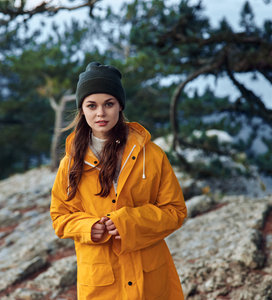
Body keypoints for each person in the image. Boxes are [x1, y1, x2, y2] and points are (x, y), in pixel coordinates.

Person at [50, 62, 187, 299]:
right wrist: (88, 227)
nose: (100, 113)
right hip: (101, 284)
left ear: (120, 106)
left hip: (150, 278)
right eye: (91, 106)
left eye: (109, 104)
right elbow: (60, 217)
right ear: (82, 110)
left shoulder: (152, 156)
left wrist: (129, 221)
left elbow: (175, 211)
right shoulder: (70, 164)